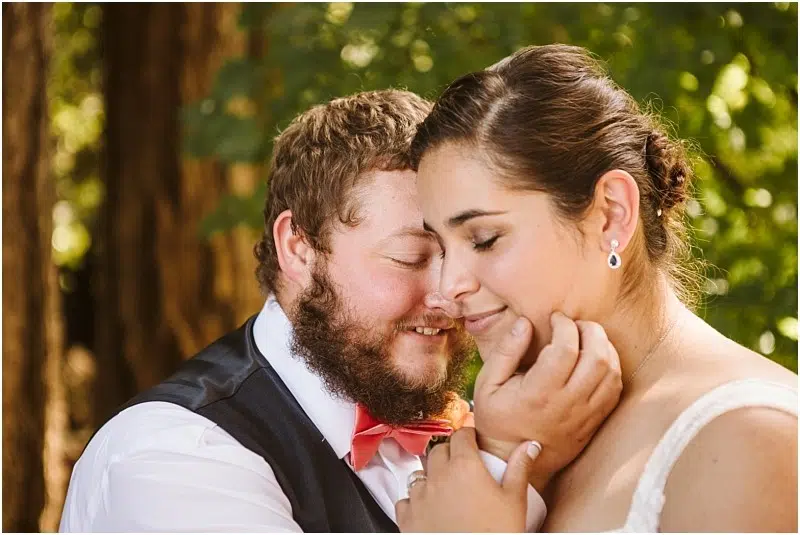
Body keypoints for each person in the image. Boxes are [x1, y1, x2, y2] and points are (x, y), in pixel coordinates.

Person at [59, 89, 623, 532]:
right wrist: (506, 464)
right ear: (298, 249)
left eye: (463, 252)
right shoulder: (172, 458)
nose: (450, 290)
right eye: (410, 256)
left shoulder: (462, 414)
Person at [396, 44, 798, 533]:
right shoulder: (531, 429)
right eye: (438, 246)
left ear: (612, 214)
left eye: (484, 239)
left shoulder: (753, 438)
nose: (447, 285)